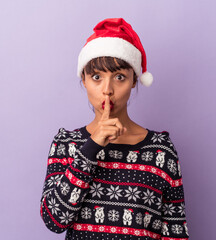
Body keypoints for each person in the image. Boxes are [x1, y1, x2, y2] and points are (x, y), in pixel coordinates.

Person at [40, 18, 190, 240]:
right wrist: (92, 147)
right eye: (97, 77)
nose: (107, 90)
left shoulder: (161, 150)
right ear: (84, 80)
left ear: (133, 81)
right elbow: (54, 221)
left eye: (119, 77)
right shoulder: (66, 144)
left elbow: (175, 231)